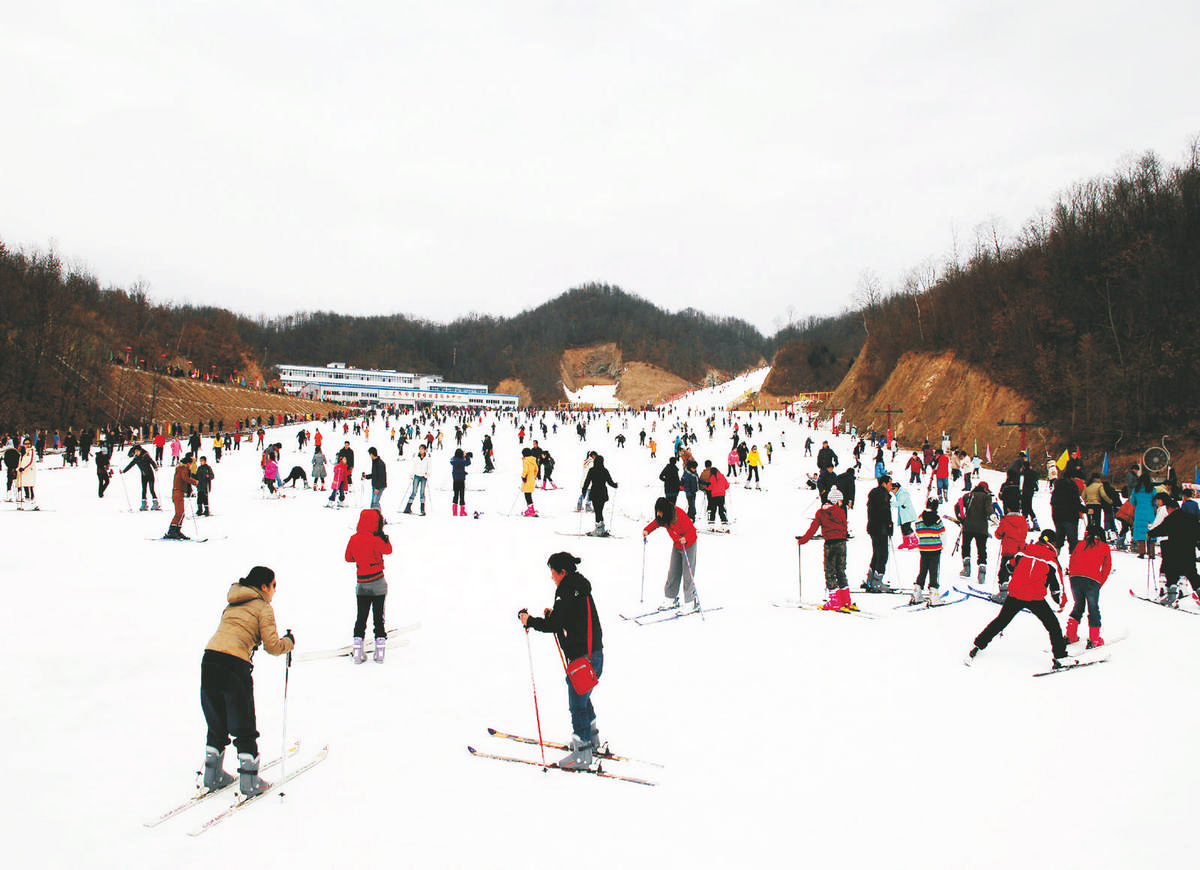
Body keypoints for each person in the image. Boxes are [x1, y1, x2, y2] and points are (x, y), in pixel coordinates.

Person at [200, 566, 295, 796]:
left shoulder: (232, 602)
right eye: (274, 585)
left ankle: (213, 776)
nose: (274, 591)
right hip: (234, 665)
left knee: (217, 719)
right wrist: (289, 642)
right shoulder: (263, 607)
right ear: (263, 587)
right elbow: (273, 646)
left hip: (210, 660)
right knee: (243, 721)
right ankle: (250, 782)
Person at [518, 552, 604, 770]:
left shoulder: (566, 591)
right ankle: (591, 739)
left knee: (577, 704)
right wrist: (553, 615)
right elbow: (567, 618)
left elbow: (556, 625)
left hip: (583, 659)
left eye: (553, 573)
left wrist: (530, 621)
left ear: (562, 572)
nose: (552, 578)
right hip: (595, 654)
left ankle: (582, 753)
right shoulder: (579, 587)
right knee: (583, 698)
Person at [965, 530, 1075, 670]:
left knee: (1001, 621)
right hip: (1035, 597)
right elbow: (1057, 586)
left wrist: (1019, 576)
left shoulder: (1024, 551)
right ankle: (1060, 657)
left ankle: (978, 644)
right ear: (1052, 543)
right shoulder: (1051, 560)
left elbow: (1009, 566)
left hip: (1015, 594)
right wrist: (1061, 602)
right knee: (1053, 626)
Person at [345, 508, 393, 663]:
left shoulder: (354, 538)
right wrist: (384, 538)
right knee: (379, 619)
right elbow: (388, 550)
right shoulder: (375, 539)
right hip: (378, 582)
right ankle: (380, 653)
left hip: (362, 584)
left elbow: (348, 558)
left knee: (361, 618)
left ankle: (358, 652)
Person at [796, 486, 855, 611]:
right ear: (836, 500)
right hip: (841, 543)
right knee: (841, 570)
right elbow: (844, 525)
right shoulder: (841, 511)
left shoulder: (821, 513)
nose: (841, 503)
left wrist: (802, 541)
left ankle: (835, 601)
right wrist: (843, 537)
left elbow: (813, 529)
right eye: (840, 500)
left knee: (830, 572)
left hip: (830, 543)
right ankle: (846, 600)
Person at [643, 496, 699, 612]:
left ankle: (691, 601)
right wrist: (647, 530)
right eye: (657, 511)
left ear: (665, 510)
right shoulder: (664, 517)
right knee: (673, 572)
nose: (659, 514)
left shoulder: (678, 515)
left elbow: (692, 531)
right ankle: (670, 598)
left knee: (688, 574)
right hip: (677, 545)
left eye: (660, 511)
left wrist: (686, 538)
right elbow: (655, 523)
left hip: (688, 545)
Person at [1147, 493, 1200, 606]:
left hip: (1174, 550)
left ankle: (1170, 596)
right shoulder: (1191, 518)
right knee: (1192, 573)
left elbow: (1162, 529)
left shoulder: (1171, 518)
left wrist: (1150, 533)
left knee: (1172, 572)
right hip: (1189, 550)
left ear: (1169, 508)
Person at [1065, 527, 1113, 648]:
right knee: (1093, 609)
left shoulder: (1080, 544)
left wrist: (1072, 576)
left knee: (1078, 605)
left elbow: (1072, 559)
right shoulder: (1104, 547)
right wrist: (1099, 583)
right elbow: (1107, 567)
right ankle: (1094, 639)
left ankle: (1070, 635)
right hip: (1092, 580)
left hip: (1075, 578)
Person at [910, 499, 946, 604]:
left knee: (923, 570)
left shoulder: (920, 518)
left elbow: (918, 530)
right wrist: (942, 545)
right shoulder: (937, 519)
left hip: (923, 548)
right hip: (935, 549)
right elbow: (942, 533)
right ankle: (934, 595)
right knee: (934, 571)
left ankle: (917, 592)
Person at [993, 500, 1029, 600]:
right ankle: (1017, 593)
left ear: (1008, 508)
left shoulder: (1005, 519)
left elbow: (998, 534)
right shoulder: (1023, 520)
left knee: (1004, 572)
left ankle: (1003, 593)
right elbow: (1025, 533)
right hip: (1019, 551)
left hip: (1008, 550)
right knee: (1017, 572)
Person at [959, 481, 993, 582]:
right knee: (982, 549)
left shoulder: (968, 495)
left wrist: (961, 519)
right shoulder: (987, 497)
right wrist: (992, 515)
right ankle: (982, 572)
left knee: (966, 546)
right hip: (982, 528)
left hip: (968, 526)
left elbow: (958, 505)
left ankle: (966, 569)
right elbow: (989, 508)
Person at [864, 475, 893, 591]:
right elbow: (884, 512)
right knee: (883, 554)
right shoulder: (883, 495)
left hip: (873, 527)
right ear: (884, 483)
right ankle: (877, 581)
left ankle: (871, 579)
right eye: (890, 483)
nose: (891, 486)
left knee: (877, 553)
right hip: (881, 528)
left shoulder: (874, 494)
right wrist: (889, 525)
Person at [581, 453, 618, 536]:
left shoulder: (592, 470)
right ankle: (601, 528)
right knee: (599, 510)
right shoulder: (605, 470)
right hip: (603, 493)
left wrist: (584, 491)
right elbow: (610, 482)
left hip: (594, 492)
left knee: (597, 511)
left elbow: (587, 481)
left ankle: (599, 529)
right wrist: (615, 485)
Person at [166, 453, 199, 539]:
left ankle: (176, 530)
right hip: (178, 492)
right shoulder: (183, 469)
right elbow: (185, 478)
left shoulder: (181, 468)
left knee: (181, 513)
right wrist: (194, 482)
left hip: (179, 492)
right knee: (179, 513)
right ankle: (172, 531)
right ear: (188, 463)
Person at [122, 445, 159, 511]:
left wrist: (155, 467)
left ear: (140, 450)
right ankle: (144, 504)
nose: (136, 452)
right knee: (144, 489)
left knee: (151, 489)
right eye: (135, 451)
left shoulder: (145, 456)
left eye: (137, 451)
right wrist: (123, 471)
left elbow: (152, 462)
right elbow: (130, 465)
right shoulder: (136, 458)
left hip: (150, 474)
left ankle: (155, 503)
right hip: (143, 475)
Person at [403, 443, 431, 515]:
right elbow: (413, 466)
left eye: (422, 449)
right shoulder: (416, 457)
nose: (420, 450)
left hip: (423, 477)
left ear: (425, 450)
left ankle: (422, 509)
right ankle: (408, 507)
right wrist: (412, 474)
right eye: (420, 449)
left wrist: (427, 474)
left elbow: (429, 467)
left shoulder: (427, 458)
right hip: (416, 475)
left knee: (422, 492)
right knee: (414, 491)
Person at [701, 460, 730, 525]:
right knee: (721, 509)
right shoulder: (722, 476)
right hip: (722, 495)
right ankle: (724, 522)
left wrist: (705, 486)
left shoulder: (712, 477)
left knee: (713, 510)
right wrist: (722, 489)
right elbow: (727, 486)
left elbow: (710, 487)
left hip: (714, 495)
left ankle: (711, 524)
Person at [892, 480, 918, 549]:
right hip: (903, 515)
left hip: (907, 515)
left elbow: (900, 502)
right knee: (903, 528)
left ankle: (915, 541)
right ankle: (906, 542)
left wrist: (891, 503)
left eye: (893, 489)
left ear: (896, 488)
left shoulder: (902, 493)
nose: (892, 492)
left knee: (907, 528)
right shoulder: (899, 494)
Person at [16, 437, 38, 510]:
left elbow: (31, 462)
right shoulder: (22, 452)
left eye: (28, 444)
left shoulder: (31, 451)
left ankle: (32, 503)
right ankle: (27, 502)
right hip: (23, 473)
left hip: (29, 472)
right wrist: (18, 468)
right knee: (25, 487)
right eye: (26, 444)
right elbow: (20, 461)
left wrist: (24, 468)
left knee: (29, 487)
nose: (27, 445)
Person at [449, 448, 472, 516]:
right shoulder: (463, 461)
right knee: (462, 495)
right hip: (461, 479)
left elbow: (451, 459)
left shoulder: (453, 461)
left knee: (455, 494)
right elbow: (469, 462)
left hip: (455, 480)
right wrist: (466, 456)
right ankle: (462, 511)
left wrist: (457, 455)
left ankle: (454, 511)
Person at [520, 447, 538, 517]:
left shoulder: (526, 460)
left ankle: (530, 510)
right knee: (529, 494)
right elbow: (536, 469)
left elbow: (525, 470)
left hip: (527, 479)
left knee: (527, 495)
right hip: (532, 479)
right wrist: (533, 476)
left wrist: (523, 477)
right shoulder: (533, 460)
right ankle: (531, 509)